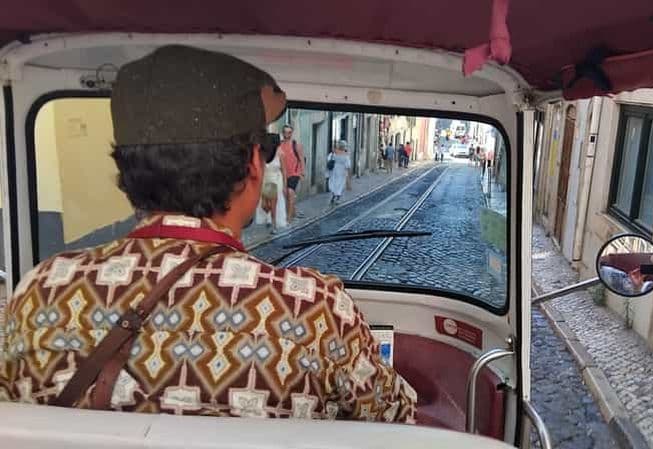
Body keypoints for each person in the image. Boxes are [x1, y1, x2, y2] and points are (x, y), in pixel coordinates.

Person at [0, 45, 417, 423]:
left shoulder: (38, 291)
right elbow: (397, 423)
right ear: (253, 164)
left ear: (127, 169)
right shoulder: (316, 310)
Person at [278, 124, 305, 222]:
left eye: (289, 132)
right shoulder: (279, 145)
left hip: (294, 173)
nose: (287, 134)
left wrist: (302, 172)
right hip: (283, 173)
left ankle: (289, 218)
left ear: (292, 133)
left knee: (290, 192)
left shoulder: (296, 145)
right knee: (285, 194)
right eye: (285, 132)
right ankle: (293, 212)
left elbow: (301, 159)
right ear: (282, 133)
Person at [261, 139, 288, 233]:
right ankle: (270, 217)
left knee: (273, 204)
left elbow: (284, 171)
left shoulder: (280, 154)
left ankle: (274, 225)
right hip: (265, 180)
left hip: (275, 180)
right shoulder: (264, 154)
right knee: (264, 205)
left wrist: (285, 185)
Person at [327, 140, 352, 206]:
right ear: (344, 147)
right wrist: (348, 173)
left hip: (334, 170)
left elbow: (329, 159)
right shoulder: (346, 155)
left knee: (333, 183)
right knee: (340, 184)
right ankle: (338, 198)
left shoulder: (334, 152)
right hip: (342, 171)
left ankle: (333, 196)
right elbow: (348, 165)